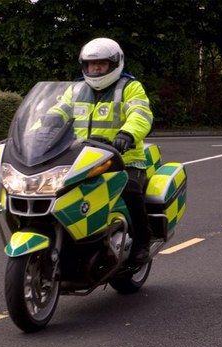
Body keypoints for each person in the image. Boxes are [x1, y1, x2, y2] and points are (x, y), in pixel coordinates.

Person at [46, 37, 154, 264]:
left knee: (130, 190)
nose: (95, 68)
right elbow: (57, 113)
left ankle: (143, 241)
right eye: (90, 64)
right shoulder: (75, 90)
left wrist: (127, 134)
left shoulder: (129, 87)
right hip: (81, 158)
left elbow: (141, 115)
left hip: (124, 158)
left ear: (115, 64)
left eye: (101, 64)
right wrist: (41, 129)